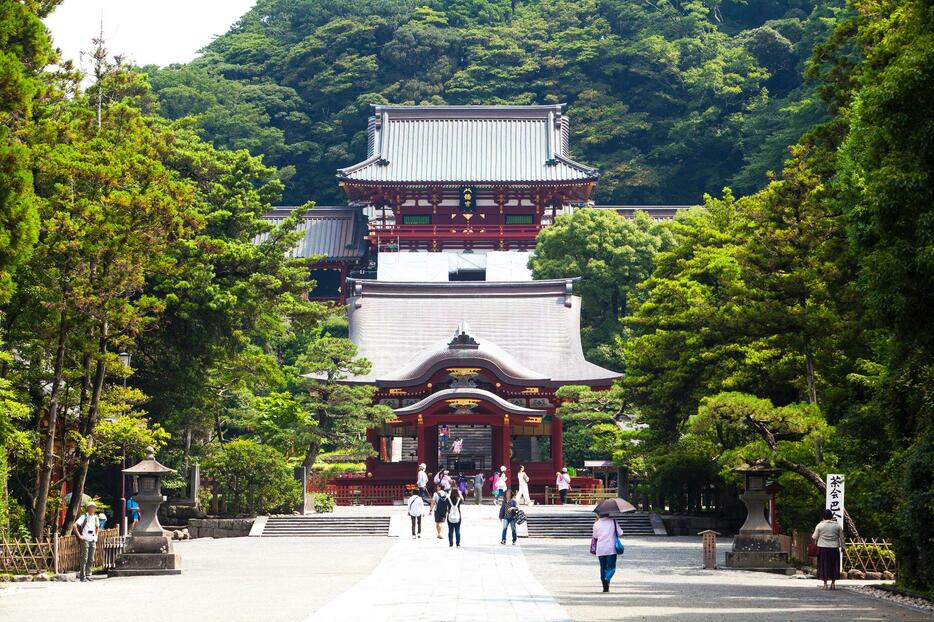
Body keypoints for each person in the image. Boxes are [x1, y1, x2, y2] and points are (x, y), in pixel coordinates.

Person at [812, 509, 845, 590]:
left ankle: (825, 584)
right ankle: (833, 583)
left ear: (823, 516)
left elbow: (814, 537)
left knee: (824, 565)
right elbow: (842, 538)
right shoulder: (837, 526)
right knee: (833, 565)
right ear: (831, 516)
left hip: (823, 548)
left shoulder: (820, 525)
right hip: (834, 548)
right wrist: (843, 547)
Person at [593, 512, 623, 592]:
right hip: (611, 548)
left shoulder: (596, 523)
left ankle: (605, 586)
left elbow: (595, 536)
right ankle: (607, 578)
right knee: (611, 567)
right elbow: (620, 533)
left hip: (601, 548)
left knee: (603, 567)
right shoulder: (613, 521)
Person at [73, 501, 99, 582]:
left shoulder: (95, 517)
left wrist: (96, 535)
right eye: (91, 507)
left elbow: (97, 527)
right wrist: (80, 536)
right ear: (88, 508)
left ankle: (88, 574)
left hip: (93, 539)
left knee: (91, 558)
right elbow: (74, 525)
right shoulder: (84, 516)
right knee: (84, 558)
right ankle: (82, 576)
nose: (92, 508)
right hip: (85, 538)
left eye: (94, 507)